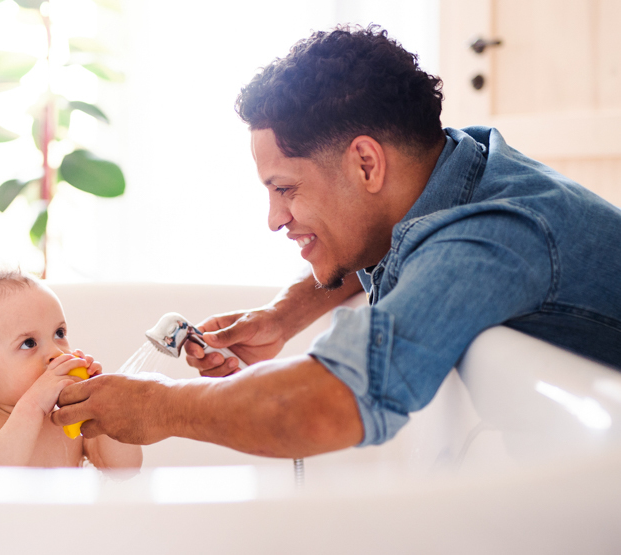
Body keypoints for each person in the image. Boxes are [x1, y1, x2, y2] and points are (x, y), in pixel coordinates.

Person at [51, 24, 621, 457]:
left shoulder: (491, 236)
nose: (275, 219)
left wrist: (156, 407)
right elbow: (382, 237)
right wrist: (282, 316)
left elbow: (324, 407)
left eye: (286, 188)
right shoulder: (454, 168)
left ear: (366, 164)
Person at [0, 270, 142, 469]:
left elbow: (124, 468)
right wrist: (33, 405)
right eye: (28, 343)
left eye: (59, 333)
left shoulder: (69, 416)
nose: (56, 352)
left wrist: (100, 406)